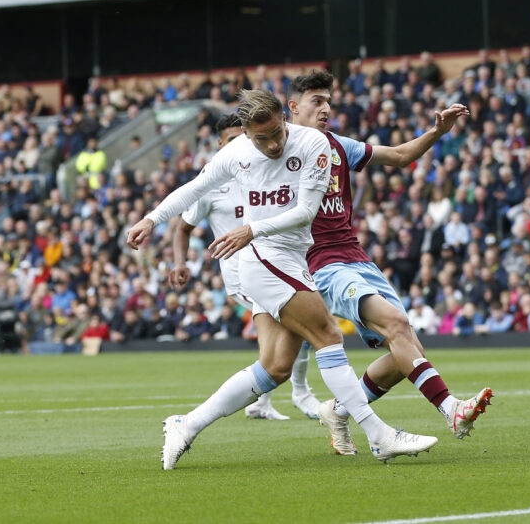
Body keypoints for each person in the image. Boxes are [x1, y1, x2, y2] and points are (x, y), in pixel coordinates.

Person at [126, 89, 438, 469]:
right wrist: (150, 219)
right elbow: (193, 189)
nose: (273, 144)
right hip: (264, 259)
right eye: (262, 138)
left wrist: (251, 229)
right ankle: (379, 436)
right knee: (328, 335)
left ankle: (186, 423)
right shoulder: (235, 153)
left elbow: (307, 211)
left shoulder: (314, 144)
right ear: (245, 132)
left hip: (285, 253)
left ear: (284, 119)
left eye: (277, 133)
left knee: (275, 367)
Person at [285, 70, 492, 455]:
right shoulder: (279, 150)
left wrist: (436, 133)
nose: (327, 108)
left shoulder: (337, 145)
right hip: (323, 264)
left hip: (358, 258)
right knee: (397, 326)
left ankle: (340, 411)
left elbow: (398, 156)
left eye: (329, 100)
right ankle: (451, 410)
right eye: (317, 101)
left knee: (407, 350)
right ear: (293, 108)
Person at [169, 113, 322, 421]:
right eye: (232, 140)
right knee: (301, 326)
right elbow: (183, 228)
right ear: (219, 144)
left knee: (292, 334)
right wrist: (179, 262)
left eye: (246, 138)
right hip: (243, 274)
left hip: (276, 263)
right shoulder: (212, 184)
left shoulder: (261, 170)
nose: (242, 145)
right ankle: (299, 393)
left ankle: (262, 400)